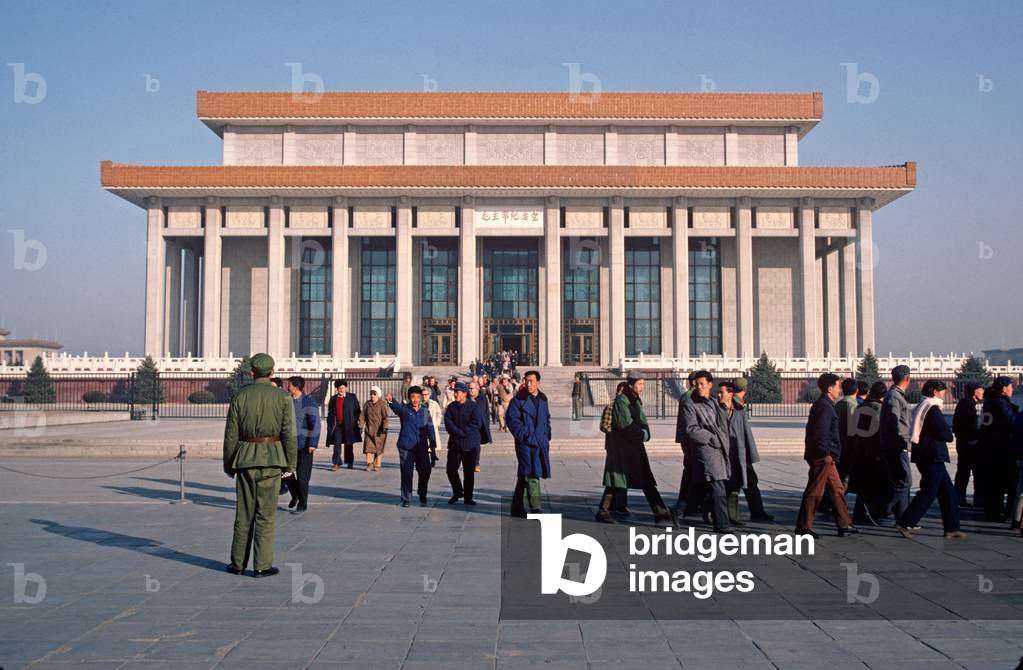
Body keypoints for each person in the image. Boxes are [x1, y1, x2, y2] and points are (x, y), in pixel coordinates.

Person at [222, 353, 296, 577]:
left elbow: (231, 436)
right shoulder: (282, 398)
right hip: (272, 459)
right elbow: (289, 435)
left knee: (244, 513)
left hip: (245, 459)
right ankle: (262, 565)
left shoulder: (240, 397)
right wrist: (290, 465)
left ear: (251, 372)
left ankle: (237, 563)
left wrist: (229, 464)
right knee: (266, 514)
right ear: (272, 372)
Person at [596, 371, 675, 525]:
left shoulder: (635, 400)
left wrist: (646, 432)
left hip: (635, 446)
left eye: (643, 384)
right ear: (631, 384)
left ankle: (660, 512)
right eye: (640, 384)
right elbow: (625, 425)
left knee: (646, 479)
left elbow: (642, 420)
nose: (642, 387)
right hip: (623, 448)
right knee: (616, 480)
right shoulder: (622, 401)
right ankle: (603, 510)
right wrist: (641, 433)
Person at [895, 380, 965, 538]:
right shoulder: (932, 408)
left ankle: (952, 527)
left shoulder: (923, 405)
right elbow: (946, 434)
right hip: (932, 455)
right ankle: (905, 522)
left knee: (948, 492)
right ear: (934, 391)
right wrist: (946, 434)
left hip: (927, 455)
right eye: (942, 392)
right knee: (928, 492)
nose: (944, 394)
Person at [795, 373, 858, 538]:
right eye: (837, 386)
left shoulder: (826, 404)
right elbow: (820, 434)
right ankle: (804, 526)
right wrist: (827, 454)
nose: (839, 389)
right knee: (815, 491)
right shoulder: (824, 406)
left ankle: (844, 524)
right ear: (830, 388)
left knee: (837, 488)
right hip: (822, 457)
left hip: (825, 456)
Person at [680, 371, 732, 532]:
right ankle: (722, 524)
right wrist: (711, 438)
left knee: (700, 487)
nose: (698, 387)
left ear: (710, 384)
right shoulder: (690, 403)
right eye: (697, 384)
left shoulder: (715, 402)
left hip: (720, 448)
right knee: (718, 485)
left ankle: (677, 511)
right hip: (705, 449)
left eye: (702, 384)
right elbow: (691, 429)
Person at [720, 381, 774, 523]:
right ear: (745, 388)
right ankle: (741, 513)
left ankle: (740, 513)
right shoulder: (725, 407)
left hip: (739, 453)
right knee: (740, 484)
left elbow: (745, 432)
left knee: (742, 483)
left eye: (721, 392)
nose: (719, 395)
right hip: (731, 454)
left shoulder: (738, 409)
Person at [506, 370, 552, 517]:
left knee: (525, 473)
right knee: (532, 473)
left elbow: (547, 419)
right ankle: (535, 506)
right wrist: (525, 436)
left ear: (538, 382)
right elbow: (512, 421)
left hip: (540, 441)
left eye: (531, 381)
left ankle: (516, 507)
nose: (528, 384)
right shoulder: (518, 400)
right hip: (526, 443)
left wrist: (547, 435)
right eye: (526, 381)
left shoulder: (543, 399)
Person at [846, 381, 890, 525]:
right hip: (872, 452)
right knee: (876, 484)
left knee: (864, 486)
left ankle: (861, 513)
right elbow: (880, 432)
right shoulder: (878, 409)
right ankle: (874, 512)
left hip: (859, 449)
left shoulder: (861, 405)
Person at [385, 387, 437, 507]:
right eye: (413, 397)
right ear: (409, 398)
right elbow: (397, 408)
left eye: (418, 397)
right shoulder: (404, 409)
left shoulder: (424, 411)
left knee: (425, 471)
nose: (415, 400)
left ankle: (422, 492)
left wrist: (433, 442)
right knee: (407, 472)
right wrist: (391, 400)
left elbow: (429, 427)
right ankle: (406, 498)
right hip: (406, 446)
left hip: (422, 446)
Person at [976, 376, 1018, 521]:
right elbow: (1012, 423)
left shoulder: (989, 403)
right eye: (1011, 386)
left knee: (993, 482)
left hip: (988, 447)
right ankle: (1000, 512)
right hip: (1000, 448)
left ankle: (992, 510)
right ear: (1004, 388)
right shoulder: (1001, 404)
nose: (1013, 389)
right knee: (1002, 482)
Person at [880, 365, 913, 520]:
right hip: (897, 445)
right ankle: (884, 507)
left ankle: (903, 518)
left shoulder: (896, 394)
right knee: (905, 481)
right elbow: (894, 420)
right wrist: (900, 441)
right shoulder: (894, 396)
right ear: (907, 378)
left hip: (896, 443)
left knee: (901, 480)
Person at [283, 376, 320, 513]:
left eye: (289, 384)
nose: (287, 387)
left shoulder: (309, 402)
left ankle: (302, 504)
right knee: (285, 473)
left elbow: (315, 424)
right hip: (288, 444)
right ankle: (295, 494)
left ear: (296, 386)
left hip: (304, 445)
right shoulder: (286, 401)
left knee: (303, 477)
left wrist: (312, 443)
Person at [444, 382, 483, 505]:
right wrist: (457, 432)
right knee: (450, 469)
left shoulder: (473, 407)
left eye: (458, 392)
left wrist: (463, 432)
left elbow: (476, 423)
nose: (455, 394)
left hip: (469, 444)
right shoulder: (451, 407)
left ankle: (468, 497)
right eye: (455, 391)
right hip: (455, 443)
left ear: (464, 393)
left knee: (468, 473)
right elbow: (448, 422)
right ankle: (457, 491)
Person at [952, 382, 984, 506]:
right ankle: (963, 499)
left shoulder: (966, 403)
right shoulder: (967, 405)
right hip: (968, 444)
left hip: (964, 443)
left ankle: (960, 498)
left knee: (963, 471)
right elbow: (966, 426)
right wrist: (974, 438)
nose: (983, 392)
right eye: (981, 389)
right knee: (966, 472)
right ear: (975, 391)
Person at [673, 371, 699, 516]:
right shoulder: (689, 397)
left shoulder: (687, 396)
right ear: (693, 383)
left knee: (690, 469)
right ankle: (684, 501)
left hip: (686, 438)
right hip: (689, 439)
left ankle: (687, 500)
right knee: (690, 469)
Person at [326, 379, 361, 471]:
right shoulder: (333, 399)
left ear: (346, 388)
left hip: (349, 425)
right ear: (337, 389)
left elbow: (357, 410)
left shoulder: (352, 397)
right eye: (339, 388)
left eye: (343, 388)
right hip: (337, 425)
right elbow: (330, 411)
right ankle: (336, 463)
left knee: (349, 444)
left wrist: (356, 422)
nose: (341, 390)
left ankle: (350, 462)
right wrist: (330, 422)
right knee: (337, 444)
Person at [361, 386, 389, 471]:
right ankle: (369, 463)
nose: (372, 396)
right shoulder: (367, 404)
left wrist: (385, 426)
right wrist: (360, 426)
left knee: (378, 447)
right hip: (369, 429)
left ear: (378, 395)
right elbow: (362, 415)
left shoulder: (382, 404)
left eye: (374, 394)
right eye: (371, 394)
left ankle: (377, 464)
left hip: (379, 430)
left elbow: (385, 417)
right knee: (368, 447)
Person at [469, 380, 492, 473]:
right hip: (468, 426)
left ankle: (476, 463)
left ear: (477, 389)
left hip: (478, 427)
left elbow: (485, 412)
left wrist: (486, 425)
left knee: (476, 445)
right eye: (469, 388)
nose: (470, 390)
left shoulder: (482, 398)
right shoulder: (465, 398)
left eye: (472, 388)